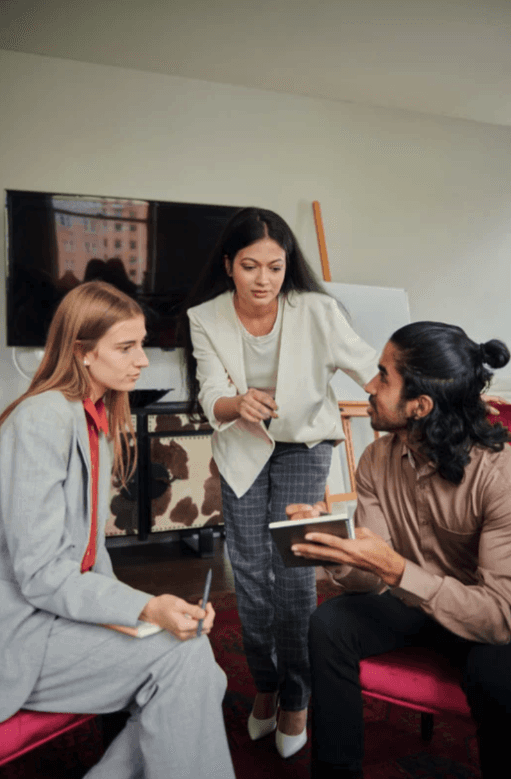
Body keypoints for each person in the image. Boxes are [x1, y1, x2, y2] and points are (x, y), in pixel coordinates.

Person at [0, 281, 236, 779]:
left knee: (200, 672)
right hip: (23, 631)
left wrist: (136, 612)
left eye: (141, 344)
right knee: (187, 665)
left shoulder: (93, 418)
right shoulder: (41, 419)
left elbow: (91, 555)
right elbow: (40, 574)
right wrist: (144, 609)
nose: (142, 360)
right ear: (82, 352)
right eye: (126, 347)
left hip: (59, 614)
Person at [180, 207, 378, 758]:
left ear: (288, 266)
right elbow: (210, 392)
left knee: (292, 569)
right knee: (248, 570)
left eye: (275, 266)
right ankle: (265, 683)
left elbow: (370, 368)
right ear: (228, 265)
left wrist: (433, 395)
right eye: (250, 266)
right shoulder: (206, 317)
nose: (263, 279)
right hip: (242, 445)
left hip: (304, 444)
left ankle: (297, 692)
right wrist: (236, 403)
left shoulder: (316, 310)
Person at [288, 321, 511, 779]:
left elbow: (498, 617)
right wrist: (338, 552)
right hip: (415, 606)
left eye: (383, 376)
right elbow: (371, 577)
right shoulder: (376, 459)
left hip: (484, 619)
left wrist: (397, 571)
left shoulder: (498, 475)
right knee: (330, 624)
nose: (369, 386)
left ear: (420, 406)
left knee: (496, 673)